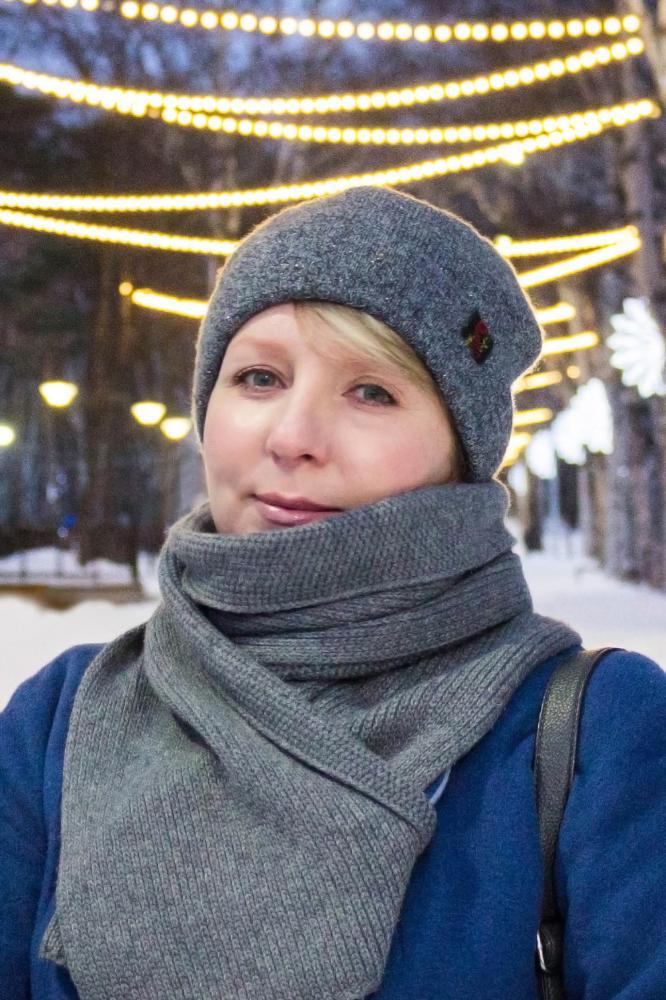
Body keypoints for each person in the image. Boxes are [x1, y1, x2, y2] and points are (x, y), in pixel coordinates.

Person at [1, 186, 664, 1000]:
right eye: (259, 378)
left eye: (372, 392)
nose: (293, 438)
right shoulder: (60, 722)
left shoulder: (596, 734)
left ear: (460, 453)